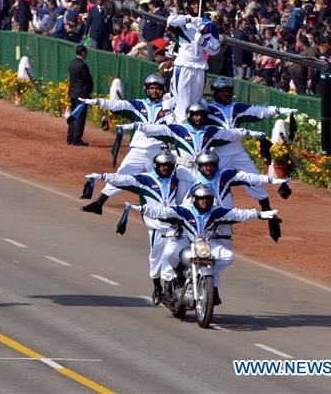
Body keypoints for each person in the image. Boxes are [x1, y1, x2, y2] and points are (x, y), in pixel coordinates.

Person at [127, 183, 279, 306]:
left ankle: (206, 278)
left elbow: (238, 213)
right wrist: (140, 208)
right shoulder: (183, 210)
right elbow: (162, 212)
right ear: (195, 199)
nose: (205, 201)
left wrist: (260, 214)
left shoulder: (216, 212)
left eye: (208, 198)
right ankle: (178, 275)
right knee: (169, 252)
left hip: (206, 243)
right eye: (202, 198)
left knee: (228, 256)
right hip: (185, 240)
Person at [81, 151, 195, 303]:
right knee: (155, 259)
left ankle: (170, 288)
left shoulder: (178, 180)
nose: (166, 168)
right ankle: (157, 286)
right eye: (163, 166)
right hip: (156, 228)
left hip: (173, 227)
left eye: (169, 166)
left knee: (172, 256)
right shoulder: (145, 180)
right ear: (156, 166)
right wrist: (102, 176)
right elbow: (123, 179)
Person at [119, 102, 265, 166]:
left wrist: (254, 133)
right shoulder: (177, 129)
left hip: (202, 170)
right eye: (195, 115)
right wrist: (132, 125)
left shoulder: (210, 131)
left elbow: (231, 133)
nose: (199, 118)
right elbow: (153, 129)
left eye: (201, 115)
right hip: (183, 169)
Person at [81, 73, 173, 171]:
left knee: (162, 181)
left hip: (158, 150)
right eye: (152, 88)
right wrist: (97, 102)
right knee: (120, 178)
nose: (154, 91)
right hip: (138, 149)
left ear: (162, 89)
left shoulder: (168, 107)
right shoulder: (138, 104)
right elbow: (116, 104)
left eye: (157, 88)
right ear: (146, 89)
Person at [166, 0, 220, 121]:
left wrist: (203, 41)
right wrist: (190, 19)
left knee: (196, 101)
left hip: (200, 66)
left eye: (199, 3)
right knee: (181, 101)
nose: (197, 6)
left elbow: (215, 49)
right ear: (187, 5)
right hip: (183, 64)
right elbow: (170, 21)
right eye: (194, 3)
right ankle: (179, 129)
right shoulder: (182, 21)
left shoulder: (210, 26)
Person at [67, 44, 94, 146]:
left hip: (73, 92)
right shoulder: (82, 65)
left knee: (73, 114)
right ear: (83, 53)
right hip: (81, 94)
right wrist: (89, 92)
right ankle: (76, 139)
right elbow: (87, 79)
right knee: (80, 116)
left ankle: (70, 137)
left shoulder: (72, 63)